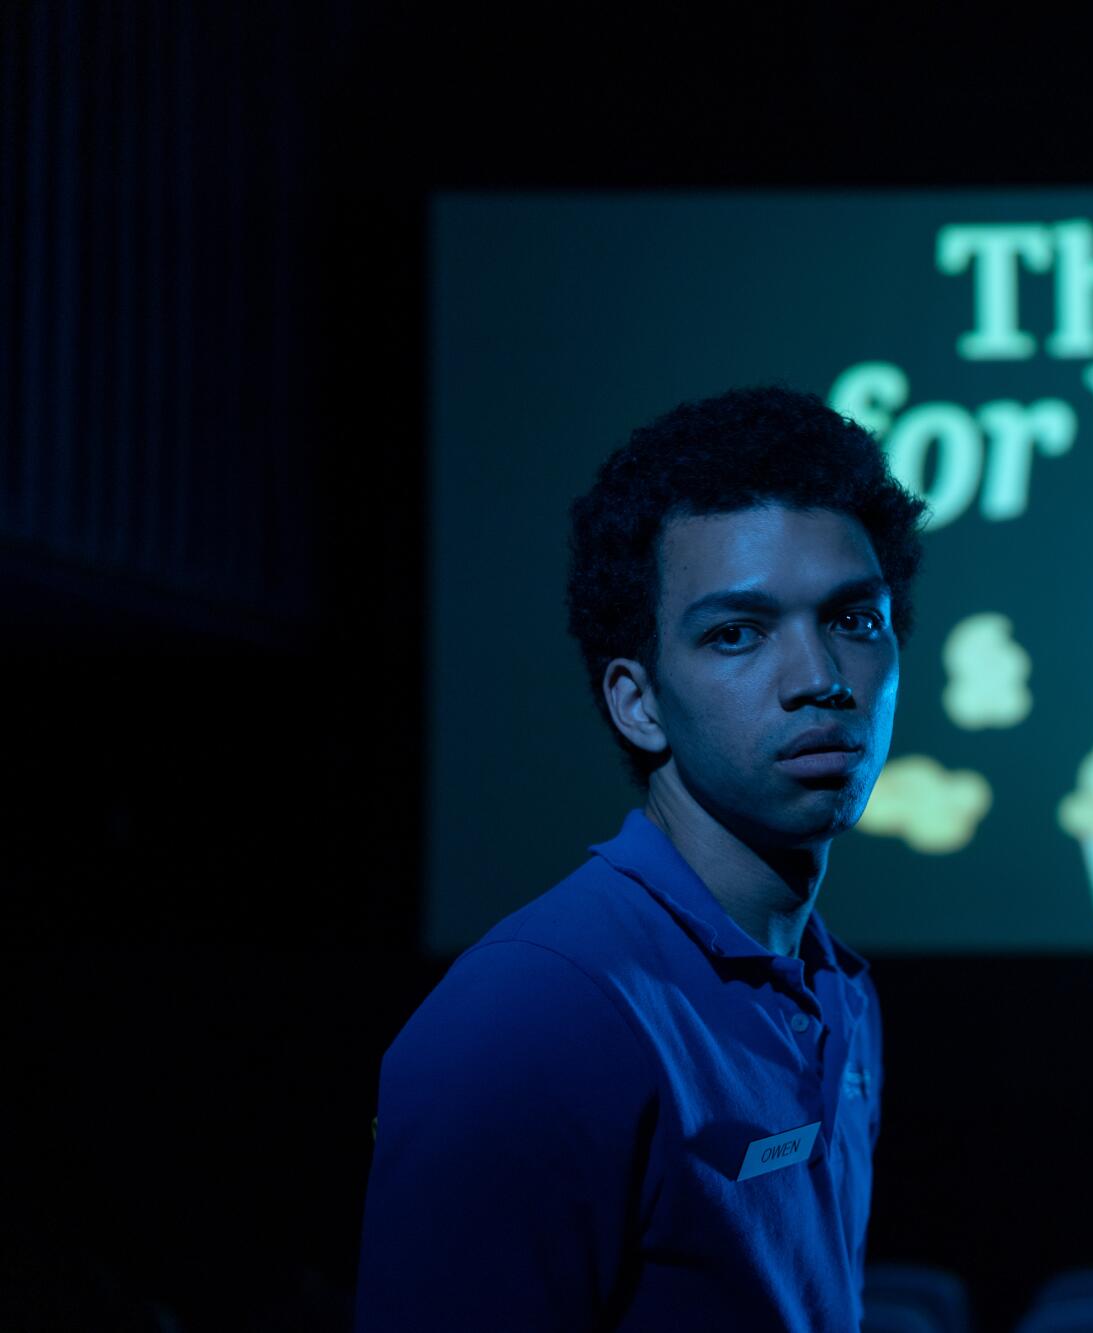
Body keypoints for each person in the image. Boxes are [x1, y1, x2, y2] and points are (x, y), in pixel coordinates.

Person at [355, 386, 927, 1331]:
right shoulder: (534, 1014)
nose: (821, 678)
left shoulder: (834, 989)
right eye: (736, 632)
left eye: (854, 621)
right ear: (637, 702)